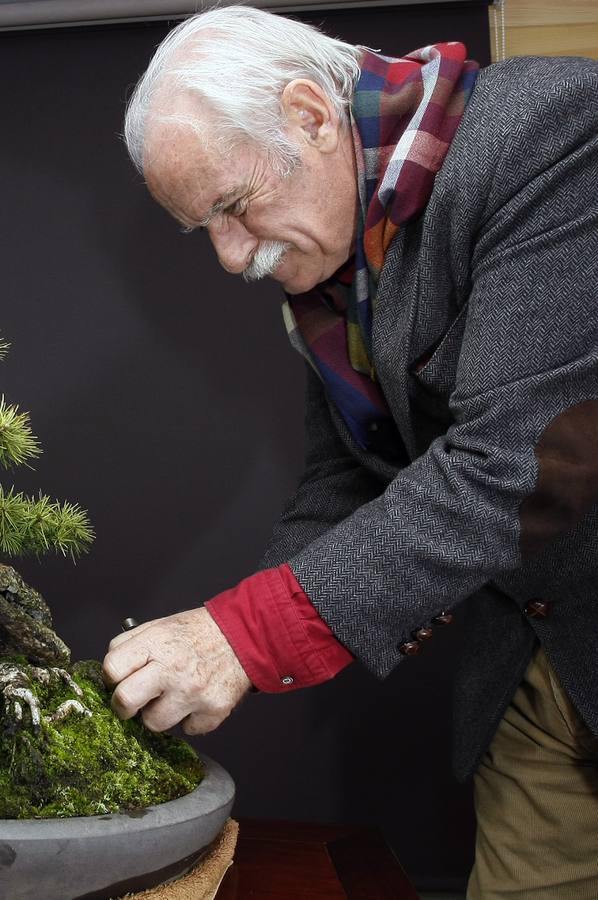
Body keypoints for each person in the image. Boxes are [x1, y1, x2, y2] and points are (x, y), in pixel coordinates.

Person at [105, 7, 598, 898]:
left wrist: (246, 638)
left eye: (231, 207)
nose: (228, 256)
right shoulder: (334, 263)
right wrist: (224, 637)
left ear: (310, 114)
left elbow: (526, 460)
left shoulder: (550, 134)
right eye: (202, 229)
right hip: (533, 663)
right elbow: (350, 477)